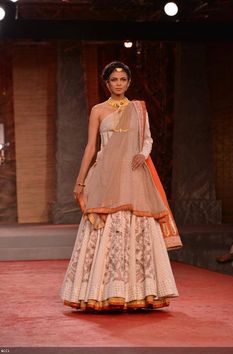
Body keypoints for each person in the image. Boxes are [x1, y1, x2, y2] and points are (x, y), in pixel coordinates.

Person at [60, 61, 183, 312]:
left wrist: (143, 153)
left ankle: (140, 293)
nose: (119, 84)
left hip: (133, 172)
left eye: (123, 79)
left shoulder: (138, 109)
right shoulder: (98, 110)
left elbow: (147, 138)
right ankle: (101, 292)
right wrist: (80, 181)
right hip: (105, 175)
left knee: (137, 226)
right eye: (114, 80)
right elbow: (91, 147)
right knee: (105, 229)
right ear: (107, 83)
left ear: (129, 82)